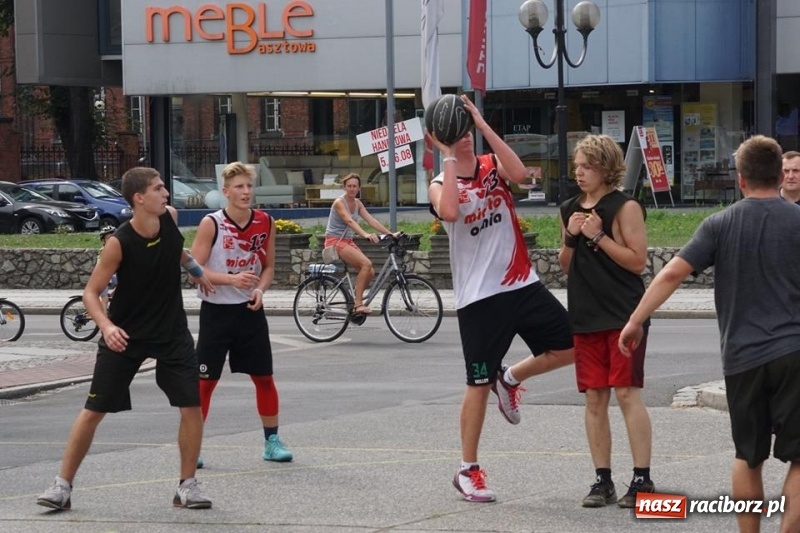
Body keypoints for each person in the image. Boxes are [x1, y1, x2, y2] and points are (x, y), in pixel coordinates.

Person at [619, 135, 800, 533]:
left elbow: (671, 273)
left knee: (748, 457)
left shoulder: (720, 224)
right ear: (779, 175)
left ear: (741, 179)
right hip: (795, 353)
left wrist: (635, 320)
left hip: (742, 358)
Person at [36, 167, 215, 511]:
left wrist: (198, 273)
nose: (166, 193)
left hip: (171, 333)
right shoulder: (119, 243)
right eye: (158, 188)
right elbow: (91, 293)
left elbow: (178, 249)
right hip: (125, 334)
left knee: (191, 406)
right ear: (139, 198)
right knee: (93, 411)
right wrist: (106, 326)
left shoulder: (169, 218)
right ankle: (61, 487)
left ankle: (187, 486)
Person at [428, 95, 574, 503]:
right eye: (457, 134)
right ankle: (467, 470)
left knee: (572, 345)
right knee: (476, 383)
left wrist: (480, 122)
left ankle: (510, 378)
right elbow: (450, 213)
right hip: (480, 298)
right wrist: (447, 155)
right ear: (443, 140)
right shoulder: (440, 183)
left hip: (521, 283)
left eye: (467, 133)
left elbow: (523, 176)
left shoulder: (492, 164)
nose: (465, 139)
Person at [558, 135, 654, 509]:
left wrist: (598, 235)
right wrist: (571, 237)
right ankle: (603, 480)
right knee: (595, 397)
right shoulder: (569, 209)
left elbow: (637, 262)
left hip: (623, 314)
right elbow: (567, 267)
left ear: (605, 168)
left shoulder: (625, 207)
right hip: (585, 315)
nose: (579, 173)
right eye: (577, 166)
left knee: (627, 392)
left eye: (587, 166)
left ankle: (642, 478)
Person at [190, 161, 292, 467]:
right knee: (205, 382)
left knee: (264, 378)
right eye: (239, 187)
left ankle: (272, 442)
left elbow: (269, 266)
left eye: (249, 186)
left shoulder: (265, 221)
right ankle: (193, 445)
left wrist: (260, 289)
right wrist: (230, 280)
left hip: (249, 312)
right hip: (217, 312)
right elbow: (194, 269)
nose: (246, 192)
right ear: (226, 192)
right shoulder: (212, 223)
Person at [324, 172, 397, 315]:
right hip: (335, 241)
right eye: (349, 186)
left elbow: (371, 220)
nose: (352, 189)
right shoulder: (339, 202)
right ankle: (358, 305)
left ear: (359, 188)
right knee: (366, 264)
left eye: (354, 186)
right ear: (344, 187)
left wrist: (390, 233)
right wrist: (365, 234)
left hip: (347, 241)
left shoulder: (358, 203)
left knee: (370, 272)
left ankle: (354, 299)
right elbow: (349, 221)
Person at [97, 225, 118, 311]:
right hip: (101, 277)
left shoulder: (116, 249)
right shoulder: (104, 250)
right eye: (108, 238)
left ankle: (111, 295)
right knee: (104, 299)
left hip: (109, 277)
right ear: (103, 241)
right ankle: (103, 317)